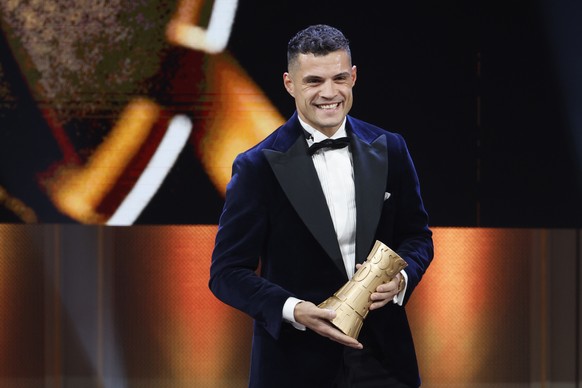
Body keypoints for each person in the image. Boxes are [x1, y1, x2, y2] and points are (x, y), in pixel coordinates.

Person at [209, 24, 434, 388]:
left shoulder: (390, 148)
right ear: (289, 84)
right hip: (296, 364)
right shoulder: (257, 167)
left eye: (339, 78)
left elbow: (417, 237)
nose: (329, 93)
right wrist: (293, 310)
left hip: (383, 360)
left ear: (354, 77)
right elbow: (226, 273)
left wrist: (401, 279)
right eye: (314, 81)